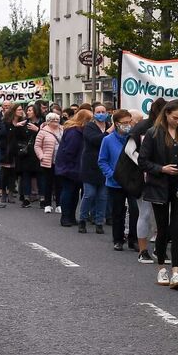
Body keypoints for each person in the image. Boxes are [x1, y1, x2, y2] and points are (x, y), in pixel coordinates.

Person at [140, 100, 178, 289]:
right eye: (174, 118)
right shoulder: (153, 134)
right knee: (162, 229)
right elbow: (143, 161)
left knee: (177, 229)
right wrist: (162, 168)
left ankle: (176, 272)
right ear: (166, 114)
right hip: (159, 185)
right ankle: (162, 267)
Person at [130, 99, 166, 264]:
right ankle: (143, 250)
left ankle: (160, 249)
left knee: (163, 216)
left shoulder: (171, 128)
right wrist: (146, 165)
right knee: (145, 213)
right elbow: (129, 150)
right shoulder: (143, 127)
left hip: (164, 176)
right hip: (143, 177)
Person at [100, 109, 140, 251]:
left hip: (132, 181)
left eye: (130, 122)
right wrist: (112, 174)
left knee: (135, 210)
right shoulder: (108, 140)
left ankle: (133, 239)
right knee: (118, 211)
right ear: (117, 124)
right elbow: (102, 161)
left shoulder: (134, 138)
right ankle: (118, 239)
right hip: (115, 182)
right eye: (125, 123)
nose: (128, 125)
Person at [56, 108, 92, 227]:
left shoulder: (78, 131)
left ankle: (71, 216)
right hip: (69, 167)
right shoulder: (74, 132)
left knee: (74, 192)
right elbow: (70, 151)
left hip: (74, 166)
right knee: (68, 191)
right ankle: (65, 217)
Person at [78, 104, 110, 234]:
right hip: (90, 166)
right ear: (94, 113)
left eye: (103, 111)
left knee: (102, 196)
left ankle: (99, 222)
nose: (101, 114)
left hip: (105, 166)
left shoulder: (108, 126)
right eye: (98, 111)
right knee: (89, 194)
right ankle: (83, 219)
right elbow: (96, 140)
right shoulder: (89, 127)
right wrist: (109, 131)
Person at [10, 105, 42, 208]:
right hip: (26, 153)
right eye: (27, 110)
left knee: (40, 176)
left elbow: (47, 136)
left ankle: (42, 198)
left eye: (30, 110)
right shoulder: (24, 123)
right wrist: (17, 127)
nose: (27, 112)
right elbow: (17, 138)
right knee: (25, 176)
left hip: (38, 152)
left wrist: (38, 130)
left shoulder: (42, 123)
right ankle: (26, 198)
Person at [35, 112, 63, 213]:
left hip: (60, 161)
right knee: (48, 183)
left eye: (57, 120)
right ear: (48, 121)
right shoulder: (43, 131)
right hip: (48, 161)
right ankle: (47, 204)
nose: (55, 122)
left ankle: (59, 204)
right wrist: (41, 157)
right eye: (53, 120)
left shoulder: (62, 130)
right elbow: (37, 146)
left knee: (59, 183)